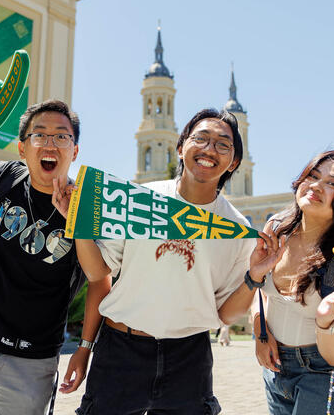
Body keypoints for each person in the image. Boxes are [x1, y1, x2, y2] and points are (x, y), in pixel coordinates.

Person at [60, 108, 284, 415]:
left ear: (233, 163)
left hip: (188, 359)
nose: (209, 149)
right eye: (201, 138)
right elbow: (99, 272)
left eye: (222, 144)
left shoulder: (237, 229)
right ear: (181, 147)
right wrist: (80, 224)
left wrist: (254, 277)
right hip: (120, 353)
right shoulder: (139, 199)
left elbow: (226, 313)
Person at [0, 100, 111, 415]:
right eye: (39, 135)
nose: (49, 143)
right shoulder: (8, 176)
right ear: (23, 149)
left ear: (75, 151)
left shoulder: (90, 207)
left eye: (61, 136)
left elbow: (99, 279)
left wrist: (84, 348)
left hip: (33, 359)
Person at [252, 150, 334, 414]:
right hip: (276, 369)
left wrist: (325, 321)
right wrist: (260, 331)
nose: (316, 186)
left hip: (330, 374)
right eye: (313, 176)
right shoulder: (276, 228)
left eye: (333, 183)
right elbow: (260, 288)